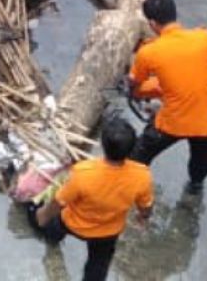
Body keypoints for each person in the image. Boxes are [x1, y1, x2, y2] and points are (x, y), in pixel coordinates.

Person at [128, 0, 207, 194]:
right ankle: (195, 187)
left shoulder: (149, 52)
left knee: (139, 156)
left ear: (153, 24)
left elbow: (134, 85)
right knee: (201, 158)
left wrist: (146, 91)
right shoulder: (205, 37)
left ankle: (130, 187)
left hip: (172, 122)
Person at [31, 118, 153, 281]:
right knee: (98, 266)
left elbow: (59, 202)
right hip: (108, 232)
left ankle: (51, 240)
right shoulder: (142, 175)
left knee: (51, 226)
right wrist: (143, 217)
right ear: (132, 149)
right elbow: (146, 206)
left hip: (74, 224)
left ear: (103, 144)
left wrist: (42, 215)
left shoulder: (83, 172)